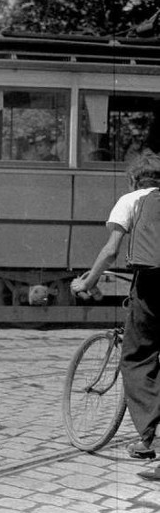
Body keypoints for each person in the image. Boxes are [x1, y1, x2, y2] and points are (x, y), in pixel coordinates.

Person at [71, 151, 160, 476]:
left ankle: (148, 441)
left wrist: (87, 281)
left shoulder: (132, 199)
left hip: (152, 286)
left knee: (138, 357)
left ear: (134, 179)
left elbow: (110, 251)